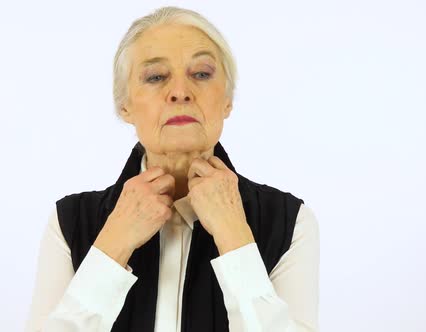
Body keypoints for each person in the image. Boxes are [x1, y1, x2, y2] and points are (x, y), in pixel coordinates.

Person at [25, 6, 319, 332]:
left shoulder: (289, 221)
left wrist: (234, 236)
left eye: (202, 74)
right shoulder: (70, 222)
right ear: (124, 105)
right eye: (156, 77)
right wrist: (113, 244)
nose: (180, 92)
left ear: (227, 100)